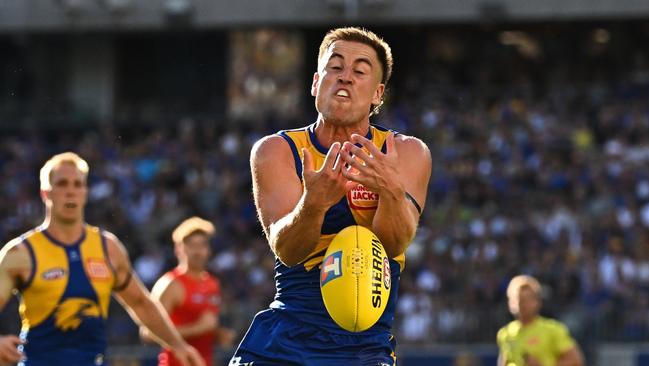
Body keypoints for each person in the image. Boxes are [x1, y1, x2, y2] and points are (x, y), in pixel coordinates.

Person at [230, 26, 432, 366]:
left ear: (377, 94)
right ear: (315, 83)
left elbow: (395, 244)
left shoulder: (406, 153)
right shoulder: (276, 151)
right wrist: (315, 203)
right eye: (335, 67)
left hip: (364, 347)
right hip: (284, 341)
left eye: (360, 70)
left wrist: (391, 191)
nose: (346, 77)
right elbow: (288, 251)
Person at [0, 152, 205, 366]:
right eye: (62, 184)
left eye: (78, 184)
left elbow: (141, 303)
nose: (71, 191)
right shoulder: (20, 253)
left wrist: (178, 346)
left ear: (86, 192)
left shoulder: (108, 249)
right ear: (45, 193)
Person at [140, 216, 234, 366]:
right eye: (192, 245)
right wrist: (197, 328)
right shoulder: (170, 284)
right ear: (179, 249)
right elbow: (147, 333)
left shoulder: (212, 284)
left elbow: (206, 326)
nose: (198, 251)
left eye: (202, 245)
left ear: (208, 250)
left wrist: (218, 334)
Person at [497, 275, 584, 366]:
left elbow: (576, 362)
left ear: (537, 301)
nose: (522, 305)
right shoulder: (505, 333)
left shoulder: (553, 330)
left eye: (527, 300)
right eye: (518, 299)